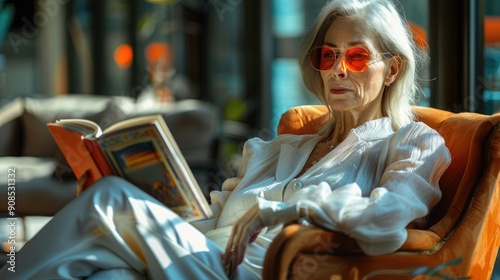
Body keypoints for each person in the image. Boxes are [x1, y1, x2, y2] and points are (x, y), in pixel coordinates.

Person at [0, 0, 451, 279]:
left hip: (247, 274)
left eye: (356, 57)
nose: (337, 68)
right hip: (200, 261)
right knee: (108, 269)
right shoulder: (284, 147)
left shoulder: (412, 141)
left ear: (392, 69)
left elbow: (387, 220)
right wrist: (156, 206)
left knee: (111, 200)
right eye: (327, 54)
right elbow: (212, 221)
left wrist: (288, 208)